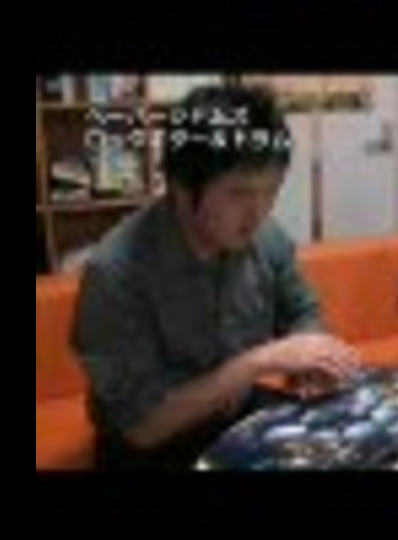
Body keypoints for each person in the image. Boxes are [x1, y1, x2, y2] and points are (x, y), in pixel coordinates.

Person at [72, 84, 362, 470]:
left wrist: (311, 363)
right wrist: (257, 363)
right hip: (152, 448)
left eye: (271, 191)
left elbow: (302, 311)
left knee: (356, 439)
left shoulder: (266, 237)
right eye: (239, 193)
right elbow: (142, 426)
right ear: (181, 185)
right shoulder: (115, 273)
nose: (258, 213)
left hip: (235, 417)